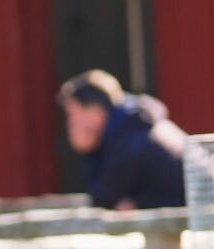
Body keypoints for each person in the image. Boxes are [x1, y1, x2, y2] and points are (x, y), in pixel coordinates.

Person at [56, 70, 187, 210]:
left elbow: (102, 198)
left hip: (195, 210)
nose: (70, 123)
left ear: (95, 111)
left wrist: (86, 151)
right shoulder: (133, 122)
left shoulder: (128, 134)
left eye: (72, 114)